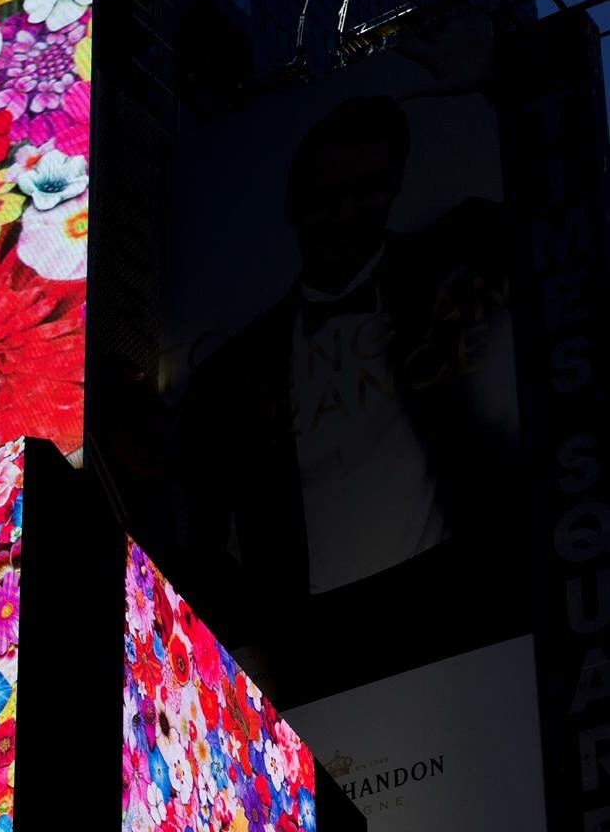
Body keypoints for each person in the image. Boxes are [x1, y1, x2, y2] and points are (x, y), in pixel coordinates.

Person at [169, 88, 519, 698]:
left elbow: (547, 205)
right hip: (316, 648)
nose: (349, 213)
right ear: (292, 207)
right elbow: (200, 538)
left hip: (460, 608)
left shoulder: (451, 260)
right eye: (325, 199)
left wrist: (494, 79)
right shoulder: (231, 370)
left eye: (370, 190)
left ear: (397, 186)